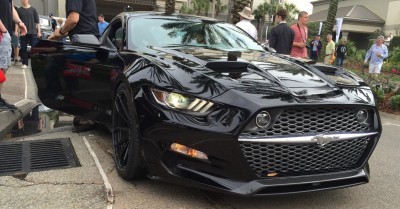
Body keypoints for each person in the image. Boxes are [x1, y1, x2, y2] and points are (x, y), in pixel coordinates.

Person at [48, 0, 98, 132]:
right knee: (78, 75)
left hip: (83, 40)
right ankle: (82, 113)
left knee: (56, 67)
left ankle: (83, 115)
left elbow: (73, 20)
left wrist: (60, 33)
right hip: (90, 39)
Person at [0, 0, 27, 110]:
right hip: (2, 33)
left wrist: (20, 23)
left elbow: (10, 8)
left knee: (3, 67)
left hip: (5, 33)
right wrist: (4, 30)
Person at [17, 0, 41, 69]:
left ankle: (35, 64)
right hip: (23, 33)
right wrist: (17, 31)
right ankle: (25, 63)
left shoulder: (33, 9)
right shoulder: (19, 10)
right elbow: (17, 22)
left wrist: (39, 32)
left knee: (34, 48)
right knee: (23, 48)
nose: (24, 0)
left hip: (33, 32)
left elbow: (37, 22)